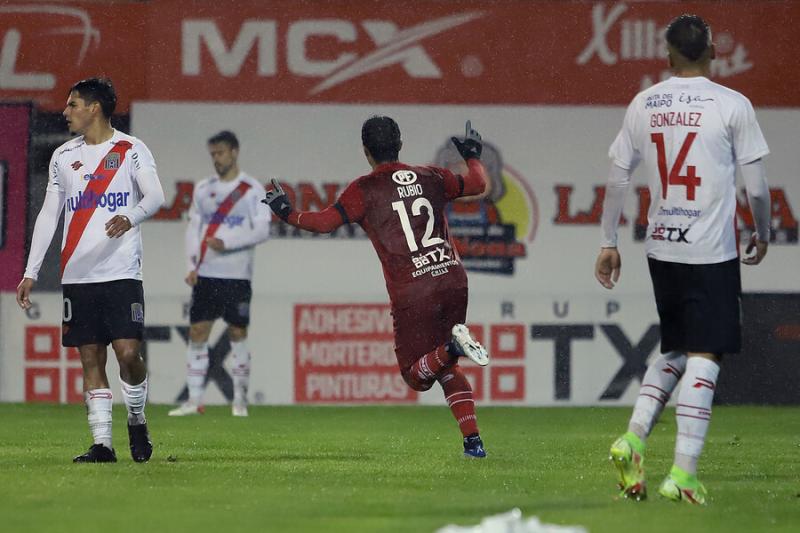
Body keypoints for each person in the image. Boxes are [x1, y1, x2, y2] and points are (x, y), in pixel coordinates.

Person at [595, 14, 771, 504]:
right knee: (705, 353)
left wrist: (608, 241)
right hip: (710, 249)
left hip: (662, 245)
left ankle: (631, 440)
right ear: (714, 51)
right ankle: (684, 474)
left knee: (675, 348)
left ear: (668, 55)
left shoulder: (644, 103)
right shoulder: (733, 105)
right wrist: (762, 230)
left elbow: (616, 180)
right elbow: (755, 187)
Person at [262, 116, 491, 457]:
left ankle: (455, 346)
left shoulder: (365, 190)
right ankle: (473, 442)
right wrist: (473, 155)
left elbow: (324, 223)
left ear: (366, 151)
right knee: (445, 367)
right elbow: (476, 184)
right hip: (452, 278)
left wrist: (287, 213)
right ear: (400, 143)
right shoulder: (432, 176)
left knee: (416, 375)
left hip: (415, 290)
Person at [16, 77, 165, 463]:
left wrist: (130, 216)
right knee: (90, 358)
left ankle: (136, 416)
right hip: (78, 275)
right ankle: (102, 445)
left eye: (73, 105)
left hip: (121, 272)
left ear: (94, 108)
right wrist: (31, 270)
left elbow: (155, 197)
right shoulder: (63, 157)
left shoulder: (130, 149)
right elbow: (50, 215)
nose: (65, 112)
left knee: (129, 353)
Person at [169, 131, 270, 417]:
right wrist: (191, 265)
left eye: (221, 153)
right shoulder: (203, 188)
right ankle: (194, 400)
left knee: (238, 333)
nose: (216, 159)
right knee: (198, 332)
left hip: (237, 275)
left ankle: (239, 400)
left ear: (234, 152)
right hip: (207, 274)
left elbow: (263, 230)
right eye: (213, 154)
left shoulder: (252, 189)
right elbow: (193, 228)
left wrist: (228, 243)